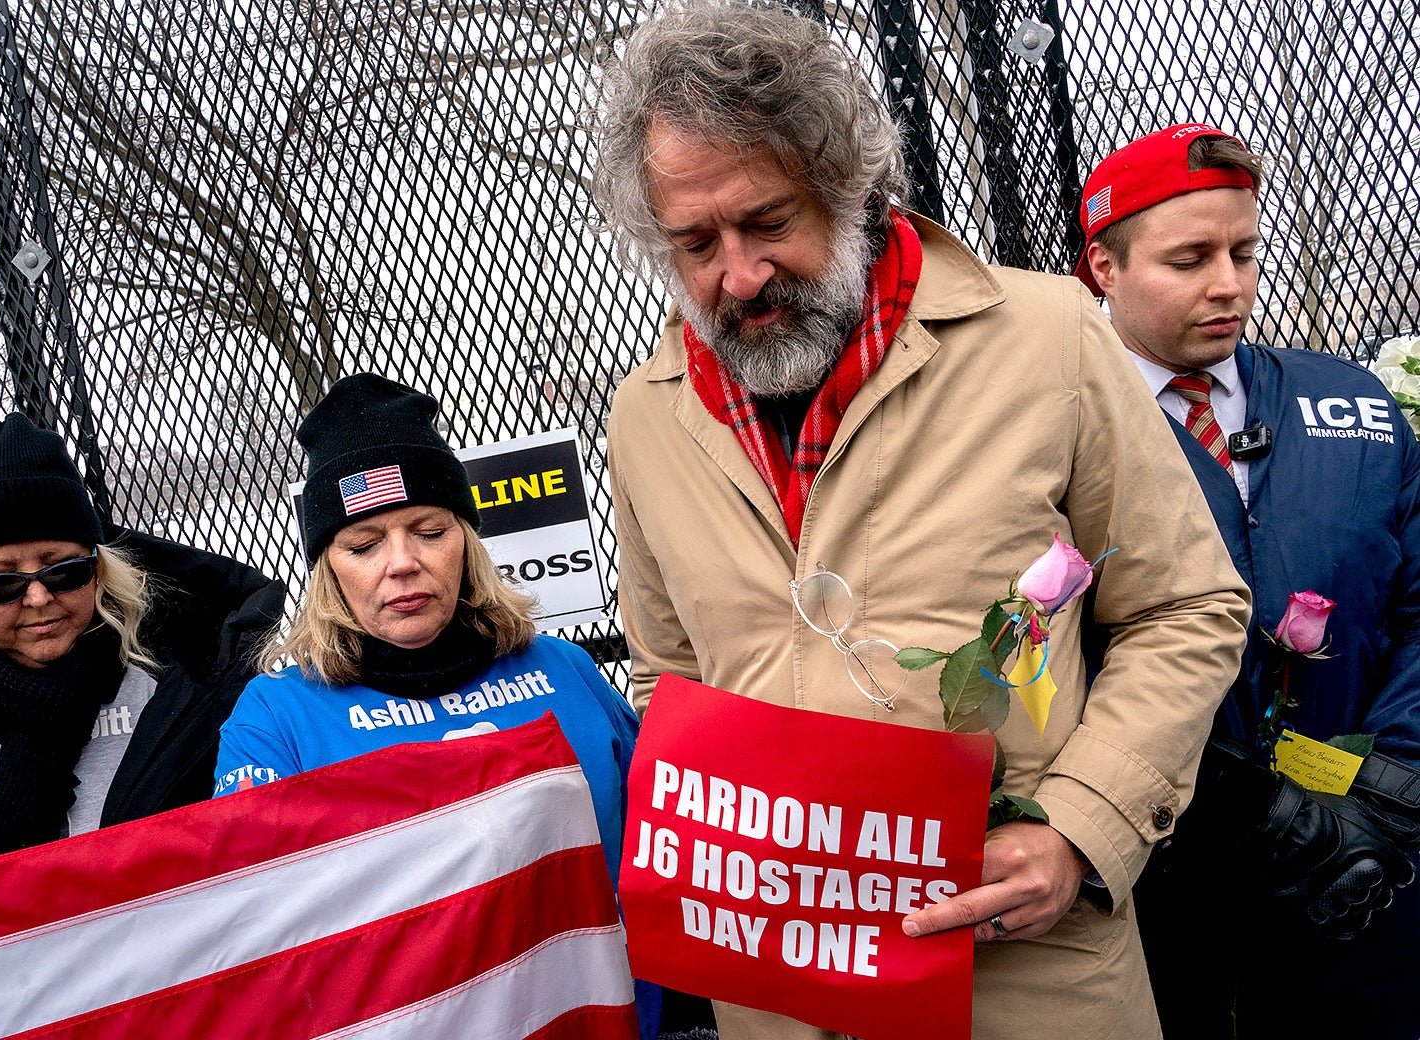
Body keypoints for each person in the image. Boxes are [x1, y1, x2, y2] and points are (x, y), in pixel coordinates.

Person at [590, 3, 1251, 1038]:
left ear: (849, 189)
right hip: (782, 989)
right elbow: (671, 672)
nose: (740, 275)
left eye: (769, 222)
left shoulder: (1045, 338)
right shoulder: (644, 415)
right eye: (695, 243)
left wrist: (1083, 824)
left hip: (1027, 980)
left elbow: (1186, 604)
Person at [1077, 123, 1420, 1039]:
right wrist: (1229, 805)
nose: (1228, 283)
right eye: (1188, 258)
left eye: (1243, 250)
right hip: (1168, 880)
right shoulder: (1061, 428)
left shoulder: (1351, 404)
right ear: (1104, 268)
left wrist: (1386, 796)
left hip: (1364, 866)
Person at [212, 374, 653, 1027]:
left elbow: (663, 849)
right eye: (363, 544)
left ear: (466, 542)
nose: (402, 562)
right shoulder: (278, 717)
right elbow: (259, 928)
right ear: (327, 567)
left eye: (428, 530)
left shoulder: (564, 669)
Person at [0, 413, 285, 888]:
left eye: (64, 571)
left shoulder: (187, 675)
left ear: (99, 568)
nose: (39, 598)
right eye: (0, 583)